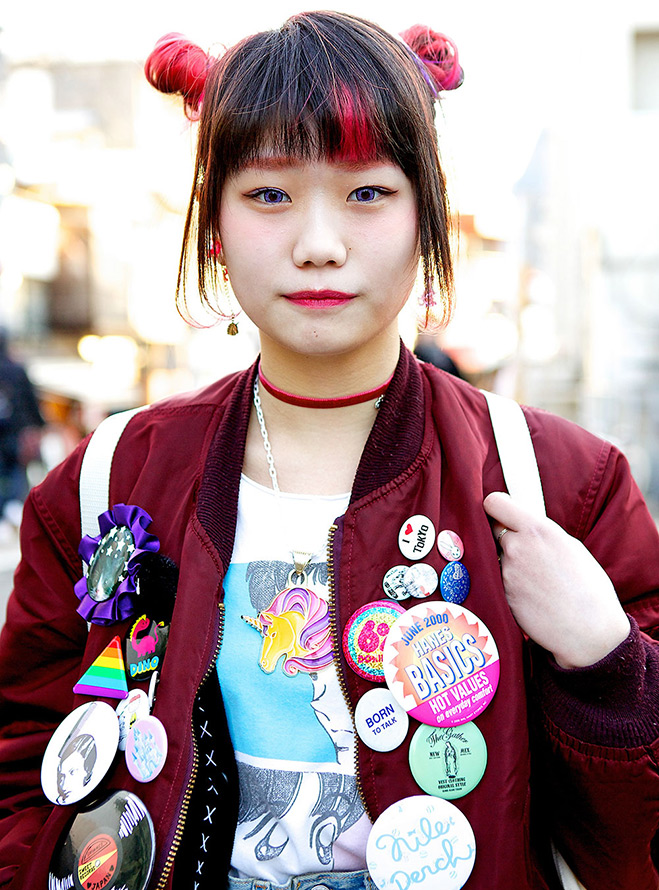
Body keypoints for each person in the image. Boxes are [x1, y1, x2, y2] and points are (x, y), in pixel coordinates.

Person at [0, 11, 658, 890]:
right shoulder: (110, 478)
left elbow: (632, 838)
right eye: (269, 195)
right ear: (213, 231)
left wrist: (604, 660)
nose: (318, 244)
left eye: (367, 193)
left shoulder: (561, 483)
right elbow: (23, 767)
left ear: (428, 220)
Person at [0, 328, 44, 529]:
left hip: (8, 434)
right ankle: (12, 507)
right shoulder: (16, 370)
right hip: (16, 434)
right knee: (16, 474)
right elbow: (30, 402)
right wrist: (38, 426)